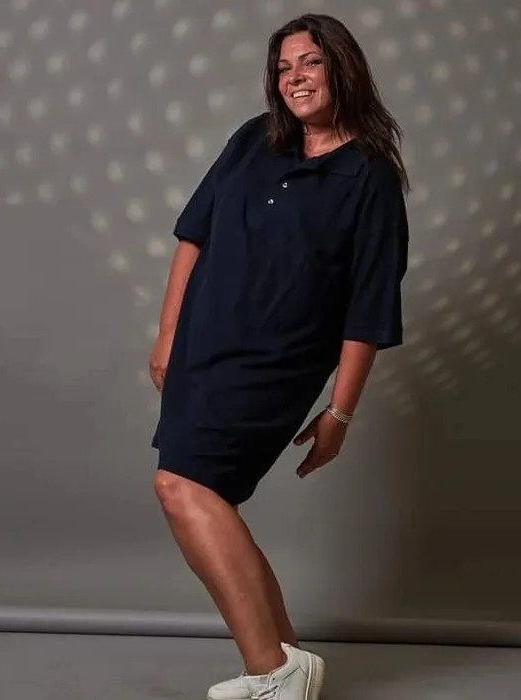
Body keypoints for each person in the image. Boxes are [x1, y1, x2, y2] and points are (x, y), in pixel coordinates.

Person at [148, 13, 409, 700]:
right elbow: (194, 234)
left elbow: (368, 310)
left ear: (342, 69)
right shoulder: (252, 140)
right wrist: (169, 332)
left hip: (277, 362)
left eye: (310, 63)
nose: (294, 78)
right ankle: (286, 658)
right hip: (203, 345)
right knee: (206, 495)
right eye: (284, 67)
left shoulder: (370, 178)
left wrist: (340, 414)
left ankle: (271, 669)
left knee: (181, 486)